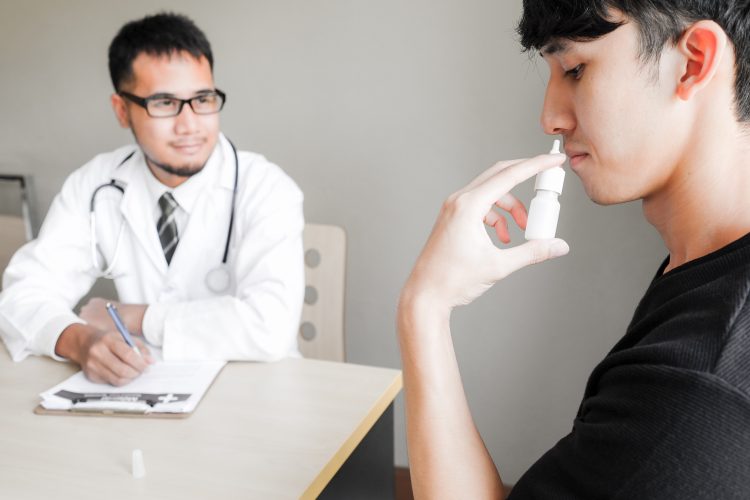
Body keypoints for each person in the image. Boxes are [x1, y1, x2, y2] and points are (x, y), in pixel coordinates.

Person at [398, 1, 750, 498]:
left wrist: (423, 307)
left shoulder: (696, 390)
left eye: (575, 69)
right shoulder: (703, 269)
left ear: (693, 61)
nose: (550, 118)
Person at [0, 13, 305, 386]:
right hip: (143, 392)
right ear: (122, 110)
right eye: (164, 103)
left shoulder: (266, 188)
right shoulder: (96, 185)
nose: (190, 124)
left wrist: (135, 316)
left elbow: (269, 326)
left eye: (203, 99)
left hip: (257, 399)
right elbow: (21, 296)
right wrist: (77, 339)